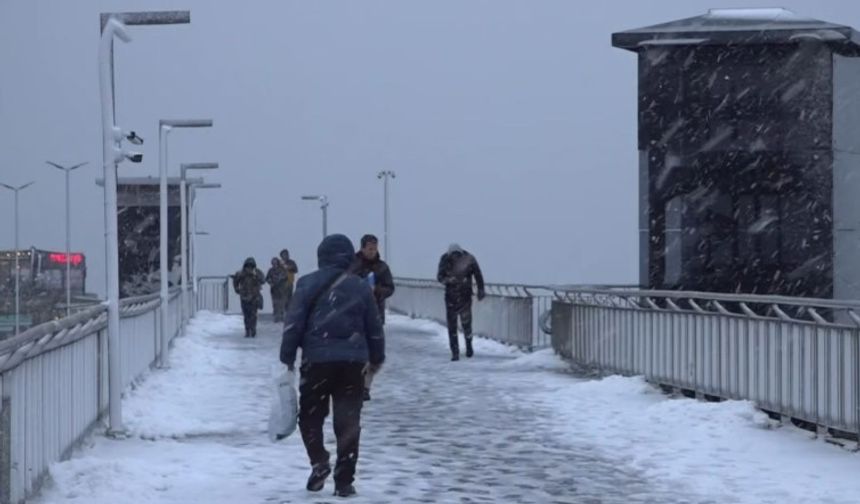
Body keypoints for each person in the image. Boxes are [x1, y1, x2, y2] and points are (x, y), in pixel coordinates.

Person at [280, 234, 385, 498]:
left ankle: (319, 461)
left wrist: (287, 356)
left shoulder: (306, 284)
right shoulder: (360, 286)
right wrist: (376, 357)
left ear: (321, 257)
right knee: (348, 422)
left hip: (316, 362)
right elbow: (374, 326)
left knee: (310, 417)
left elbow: (294, 323)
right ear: (349, 257)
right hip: (352, 364)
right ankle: (344, 481)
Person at [351, 234, 394, 401]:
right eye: (369, 248)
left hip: (375, 314)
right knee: (356, 352)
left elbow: (390, 288)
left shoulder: (382, 267)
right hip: (354, 314)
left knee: (373, 354)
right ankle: (354, 383)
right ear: (362, 248)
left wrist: (377, 290)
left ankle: (366, 387)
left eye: (374, 248)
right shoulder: (352, 264)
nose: (372, 251)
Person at [437, 243, 485, 361]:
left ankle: (468, 347)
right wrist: (449, 280)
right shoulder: (445, 259)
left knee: (464, 324)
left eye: (457, 255)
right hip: (452, 298)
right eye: (453, 255)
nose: (455, 257)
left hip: (464, 297)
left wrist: (481, 289)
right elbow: (440, 277)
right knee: (454, 326)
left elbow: (478, 274)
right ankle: (455, 352)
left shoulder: (469, 259)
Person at [232, 257, 264, 338]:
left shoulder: (257, 272)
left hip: (254, 297)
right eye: (248, 266)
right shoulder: (241, 273)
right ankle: (247, 330)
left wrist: (256, 275)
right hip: (244, 297)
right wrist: (237, 289)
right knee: (246, 315)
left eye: (251, 266)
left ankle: (253, 329)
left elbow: (263, 280)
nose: (249, 268)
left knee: (253, 315)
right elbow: (235, 280)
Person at [266, 257, 290, 322]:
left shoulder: (282, 270)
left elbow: (287, 278)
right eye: (273, 263)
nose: (274, 264)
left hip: (282, 290)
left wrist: (282, 279)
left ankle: (282, 317)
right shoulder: (270, 270)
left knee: (282, 304)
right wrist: (270, 282)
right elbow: (267, 278)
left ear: (277, 263)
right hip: (274, 290)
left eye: (275, 263)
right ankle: (276, 317)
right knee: (275, 304)